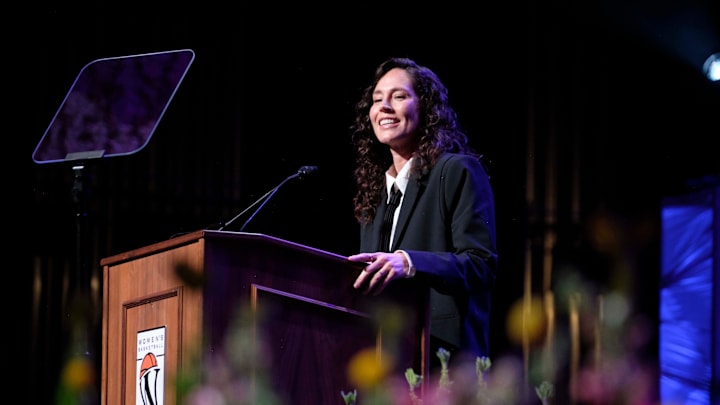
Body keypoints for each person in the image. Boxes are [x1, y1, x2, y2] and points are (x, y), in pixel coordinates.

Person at [347, 57, 498, 366]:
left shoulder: (457, 171)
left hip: (443, 363)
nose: (384, 107)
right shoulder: (376, 191)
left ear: (426, 108)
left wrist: (410, 261)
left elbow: (481, 265)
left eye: (399, 96)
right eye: (377, 100)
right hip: (385, 362)